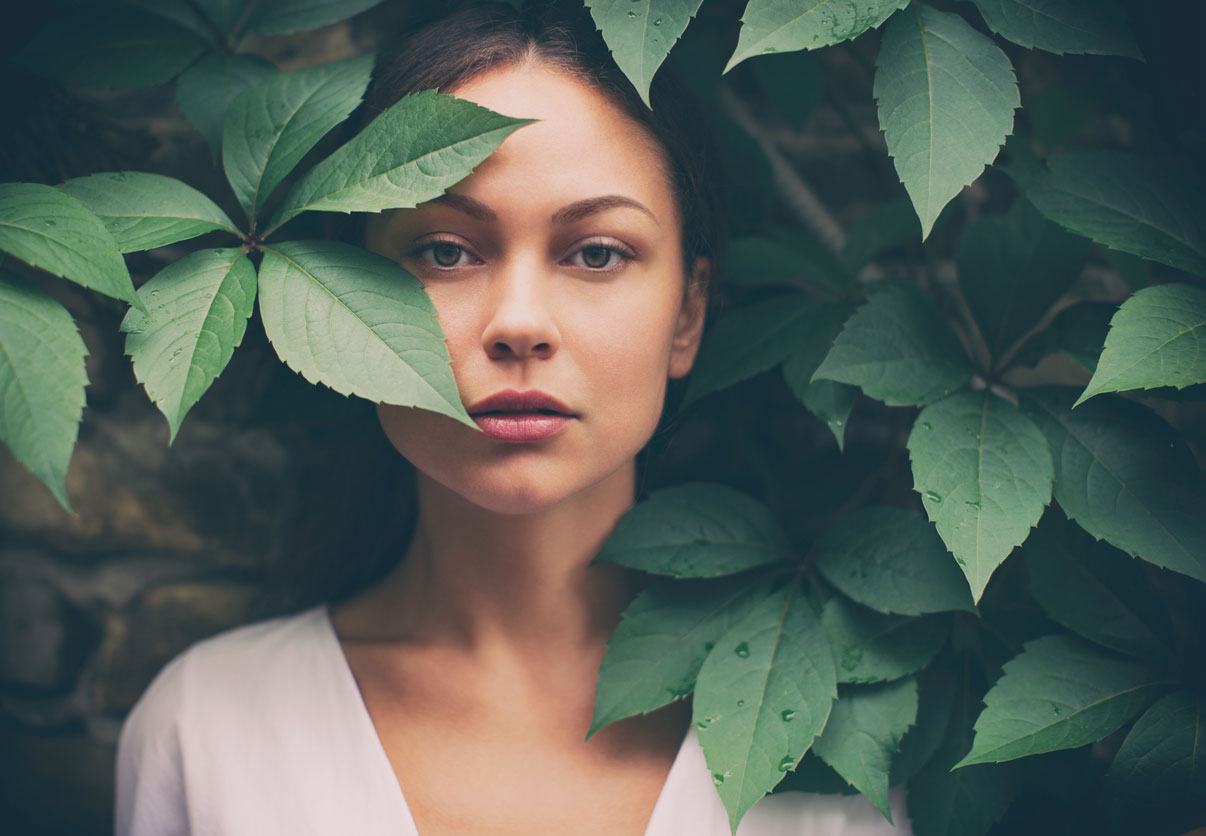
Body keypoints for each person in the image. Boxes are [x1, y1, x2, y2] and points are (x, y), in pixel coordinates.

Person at [114, 2, 913, 834]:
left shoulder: (847, 738)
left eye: (597, 252)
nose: (519, 323)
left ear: (689, 313)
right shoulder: (208, 731)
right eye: (445, 251)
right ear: (342, 297)